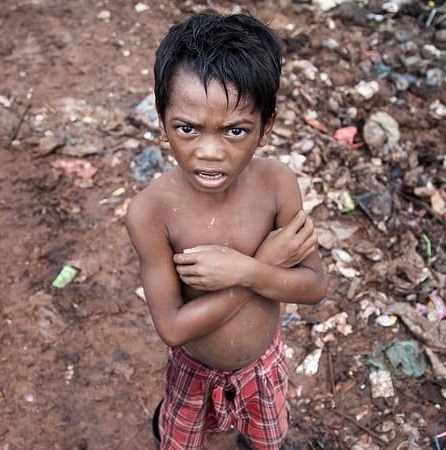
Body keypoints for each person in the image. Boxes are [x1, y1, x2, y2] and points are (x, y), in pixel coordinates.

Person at [125, 13, 328, 450]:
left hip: (263, 364)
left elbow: (314, 286)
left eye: (235, 131)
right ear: (161, 122)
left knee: (265, 440)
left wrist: (244, 270)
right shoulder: (151, 211)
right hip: (192, 369)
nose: (210, 152)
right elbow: (174, 329)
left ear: (266, 125)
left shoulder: (277, 184)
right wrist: (262, 266)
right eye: (187, 128)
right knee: (181, 441)